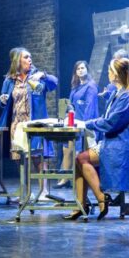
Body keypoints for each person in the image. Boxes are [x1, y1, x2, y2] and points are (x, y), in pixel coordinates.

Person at [65, 58, 129, 220]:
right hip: (113, 141)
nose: (107, 73)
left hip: (120, 145)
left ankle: (101, 198)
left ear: (116, 75)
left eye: (109, 71)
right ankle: (81, 205)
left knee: (81, 159)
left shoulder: (127, 96)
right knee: (79, 160)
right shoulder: (117, 92)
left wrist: (85, 123)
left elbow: (111, 123)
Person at [0, 47, 59, 197]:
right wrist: (3, 100)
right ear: (18, 60)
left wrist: (43, 75)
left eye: (30, 57)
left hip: (34, 123)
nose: (29, 60)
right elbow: (3, 101)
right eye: (26, 57)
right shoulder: (9, 80)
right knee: (20, 157)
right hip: (16, 124)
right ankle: (25, 189)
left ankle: (43, 191)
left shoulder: (37, 76)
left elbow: (54, 83)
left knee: (39, 156)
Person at [56, 60, 98, 188]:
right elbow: (71, 104)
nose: (80, 70)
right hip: (72, 122)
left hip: (84, 123)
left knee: (80, 152)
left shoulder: (91, 86)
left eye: (82, 68)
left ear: (87, 70)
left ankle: (79, 179)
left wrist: (84, 124)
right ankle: (65, 178)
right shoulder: (75, 87)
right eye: (78, 69)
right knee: (66, 149)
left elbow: (90, 107)